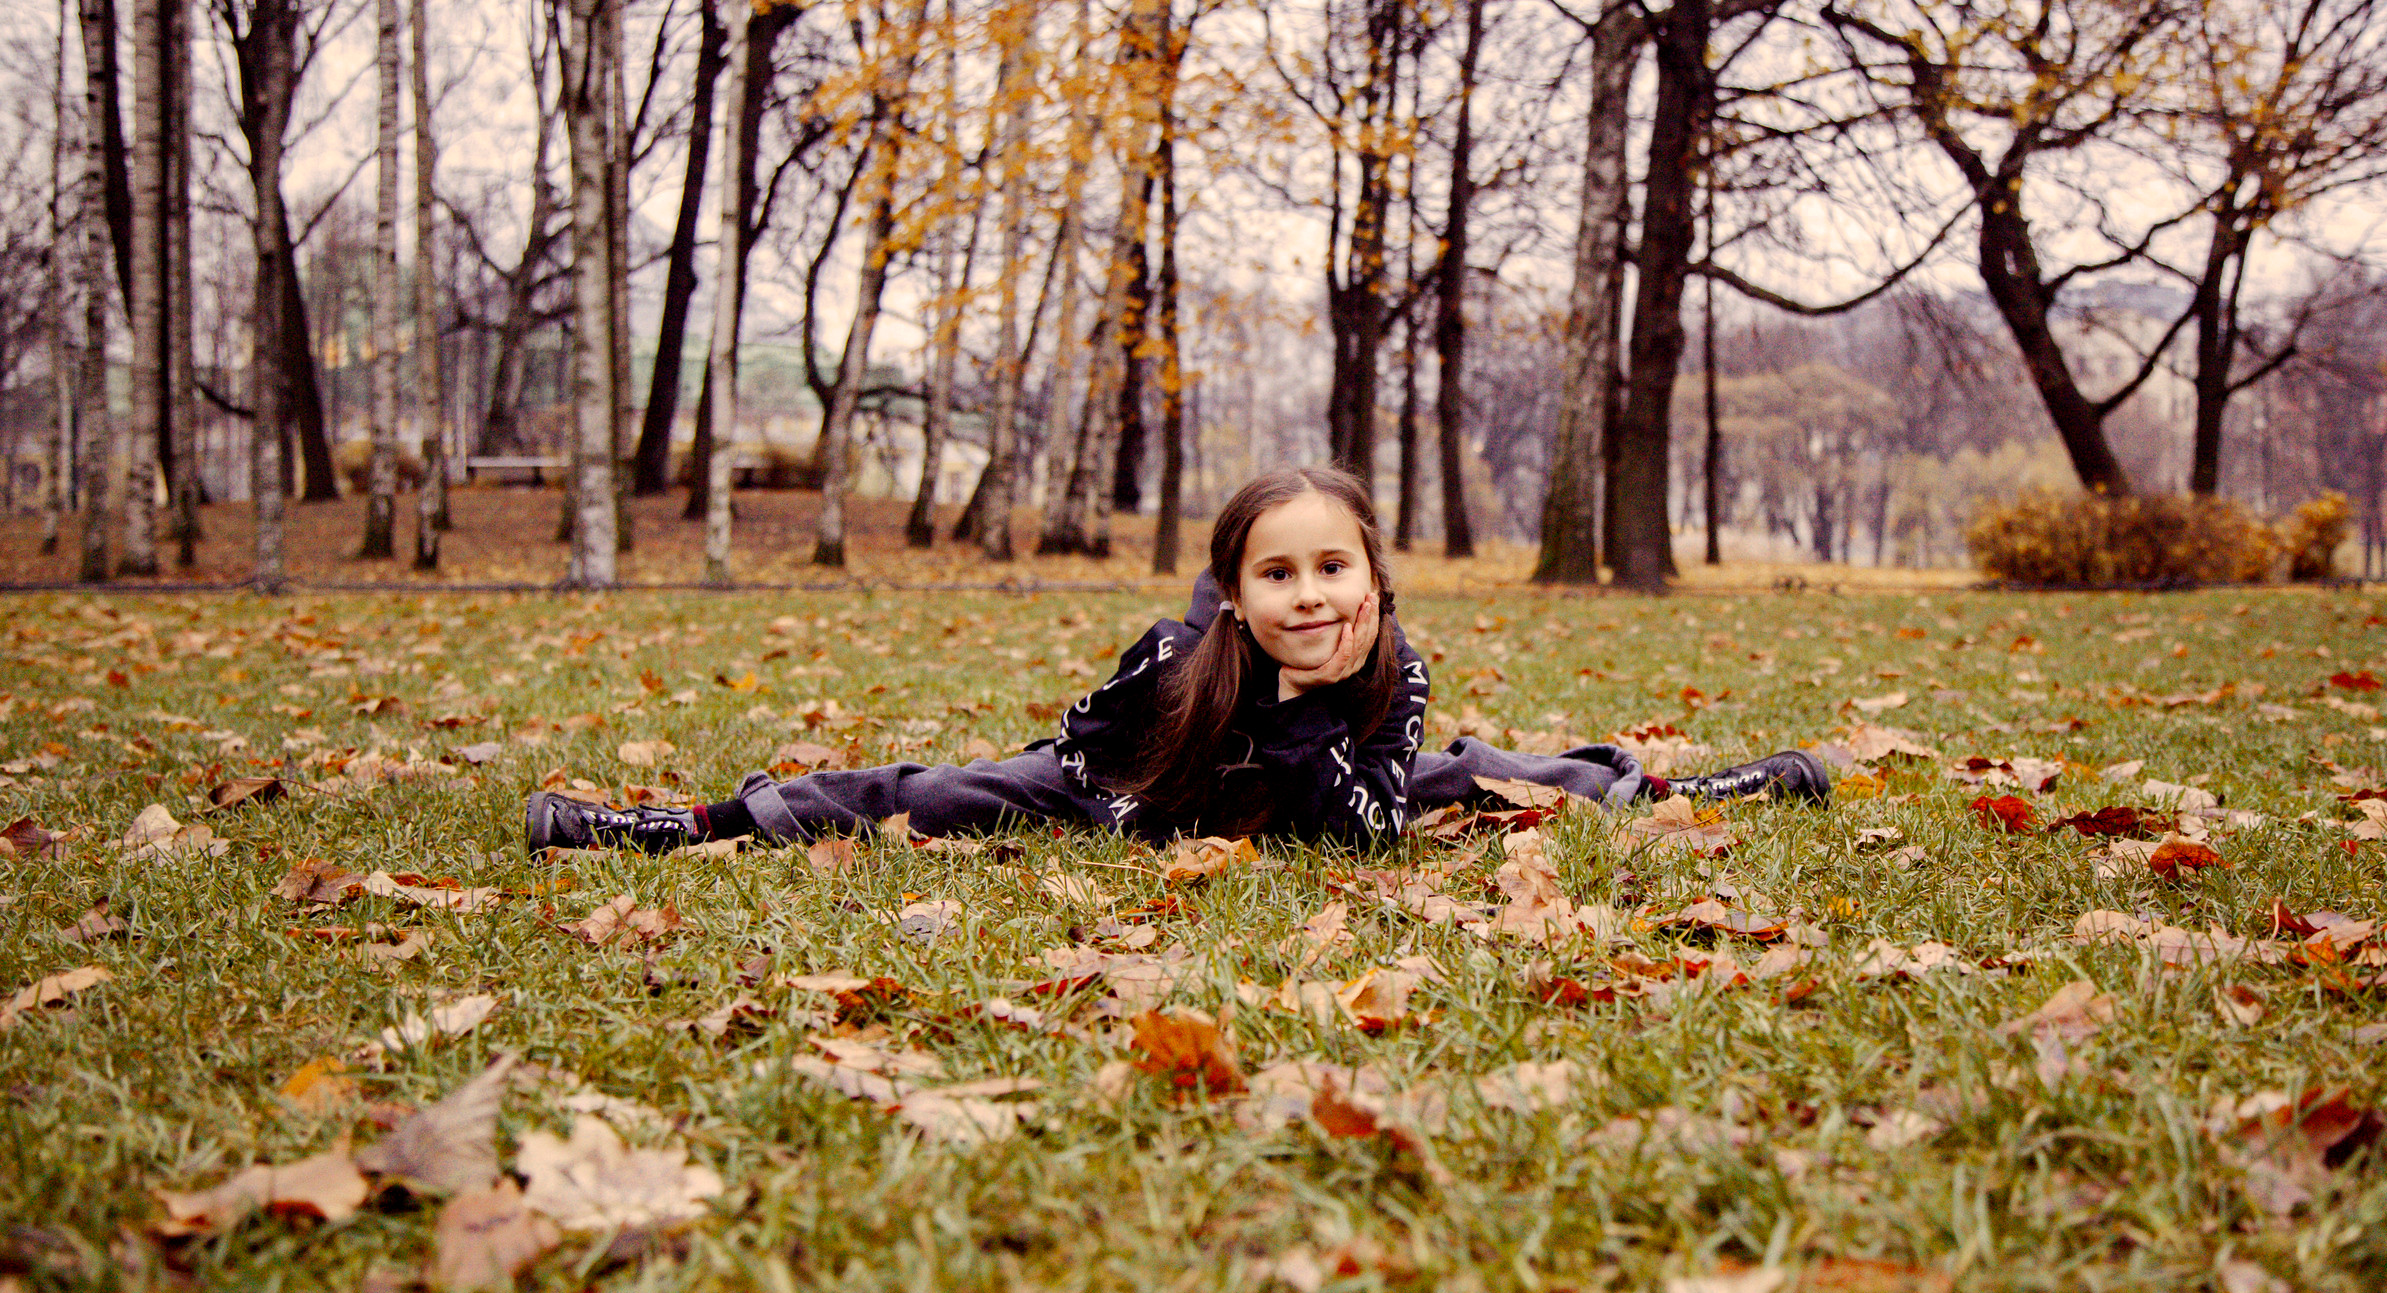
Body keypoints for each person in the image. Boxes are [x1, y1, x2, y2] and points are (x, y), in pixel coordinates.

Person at [525, 466, 1826, 856]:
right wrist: (1191, 749)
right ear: (1233, 592)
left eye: (1335, 570)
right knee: (930, 788)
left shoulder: (1394, 671)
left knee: (1474, 770)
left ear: (1373, 577)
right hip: (1132, 789)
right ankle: (670, 825)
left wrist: (1316, 720)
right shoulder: (1178, 653)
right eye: (1278, 574)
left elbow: (1361, 838)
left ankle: (1677, 791)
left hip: (1322, 788)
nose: (1312, 596)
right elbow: (1088, 749)